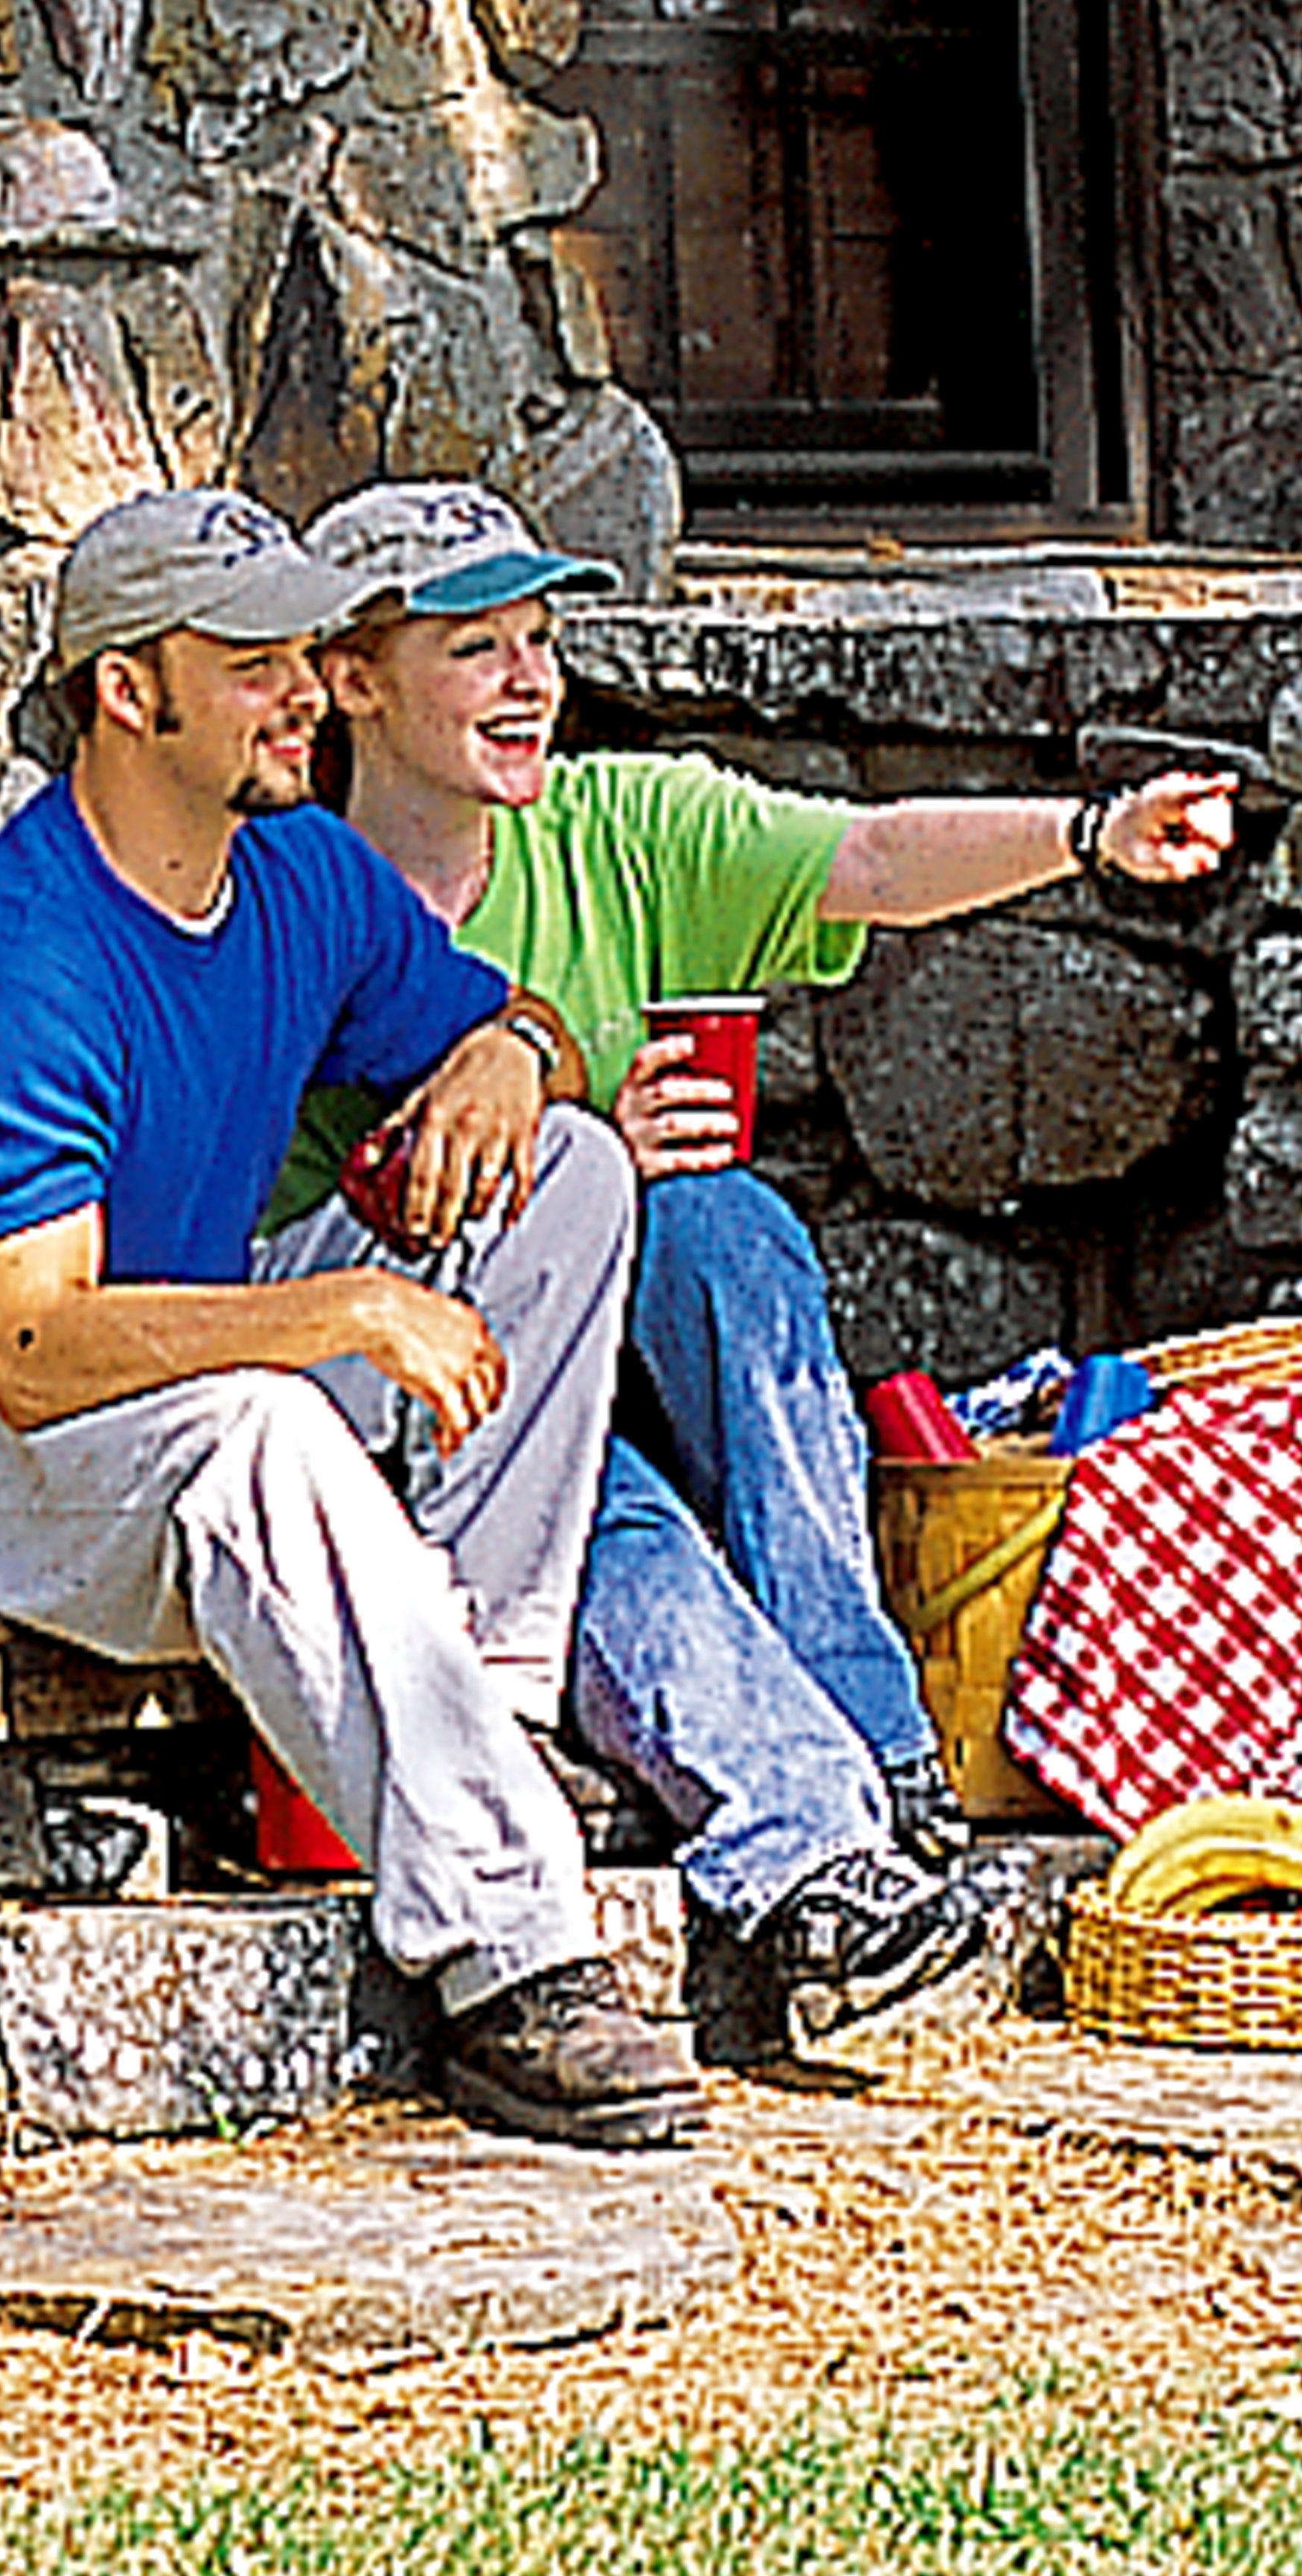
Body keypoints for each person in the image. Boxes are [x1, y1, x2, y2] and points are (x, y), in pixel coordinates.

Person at [0, 484, 713, 2152]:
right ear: (130, 692)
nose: (304, 689)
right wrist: (338, 1304)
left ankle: (489, 1710)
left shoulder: (295, 871)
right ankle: (516, 1961)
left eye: (308, 650)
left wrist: (511, 1050)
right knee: (260, 1416)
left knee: (564, 1173)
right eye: (259, 661)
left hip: (147, 1394)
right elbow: (38, 1346)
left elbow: (516, 1022)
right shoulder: (19, 959)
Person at [295, 475, 1247, 2061]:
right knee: (600, 1475)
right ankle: (816, 1859)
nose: (533, 678)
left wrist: (1091, 834)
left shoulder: (613, 827)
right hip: (430, 1401)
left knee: (726, 1225)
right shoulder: (293, 906)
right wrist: (579, 1141)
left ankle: (883, 1752)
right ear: (352, 678)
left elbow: (870, 858)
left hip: (622, 1365)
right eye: (477, 646)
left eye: (541, 638)